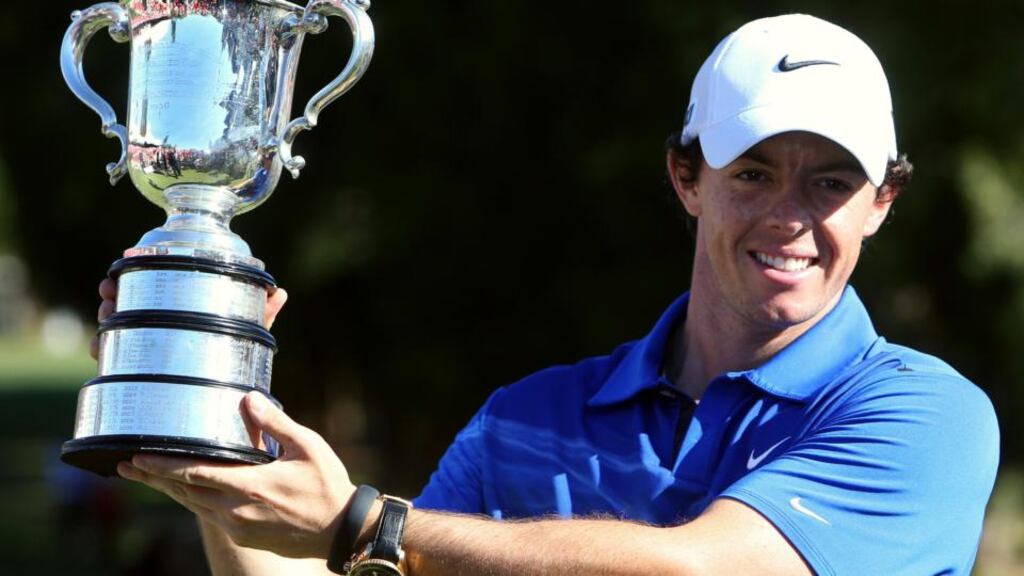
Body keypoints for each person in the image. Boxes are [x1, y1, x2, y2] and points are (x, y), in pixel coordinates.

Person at [99, 14, 1000, 575]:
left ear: (884, 203)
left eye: (833, 183)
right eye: (754, 173)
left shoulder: (923, 416)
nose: (791, 217)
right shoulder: (530, 417)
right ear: (687, 179)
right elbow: (348, 564)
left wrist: (363, 520)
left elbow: (698, 574)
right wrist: (218, 423)